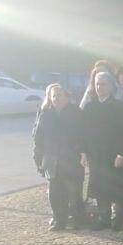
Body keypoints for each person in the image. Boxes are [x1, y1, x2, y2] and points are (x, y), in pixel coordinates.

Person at [32, 84, 87, 230]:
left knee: (74, 192)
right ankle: (59, 220)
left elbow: (84, 135)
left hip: (72, 159)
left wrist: (83, 152)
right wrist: (38, 158)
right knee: (55, 194)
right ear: (49, 98)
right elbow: (38, 139)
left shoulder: (76, 112)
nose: (56, 98)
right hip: (52, 160)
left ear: (67, 97)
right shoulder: (45, 115)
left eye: (59, 95)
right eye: (53, 95)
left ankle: (77, 218)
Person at [82, 72, 123, 231]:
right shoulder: (90, 107)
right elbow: (85, 132)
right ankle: (104, 217)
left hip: (114, 154)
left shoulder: (120, 107)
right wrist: (85, 152)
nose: (99, 87)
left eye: (103, 84)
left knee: (116, 186)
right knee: (100, 187)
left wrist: (121, 153)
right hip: (96, 154)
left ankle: (119, 218)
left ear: (111, 86)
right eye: (97, 84)